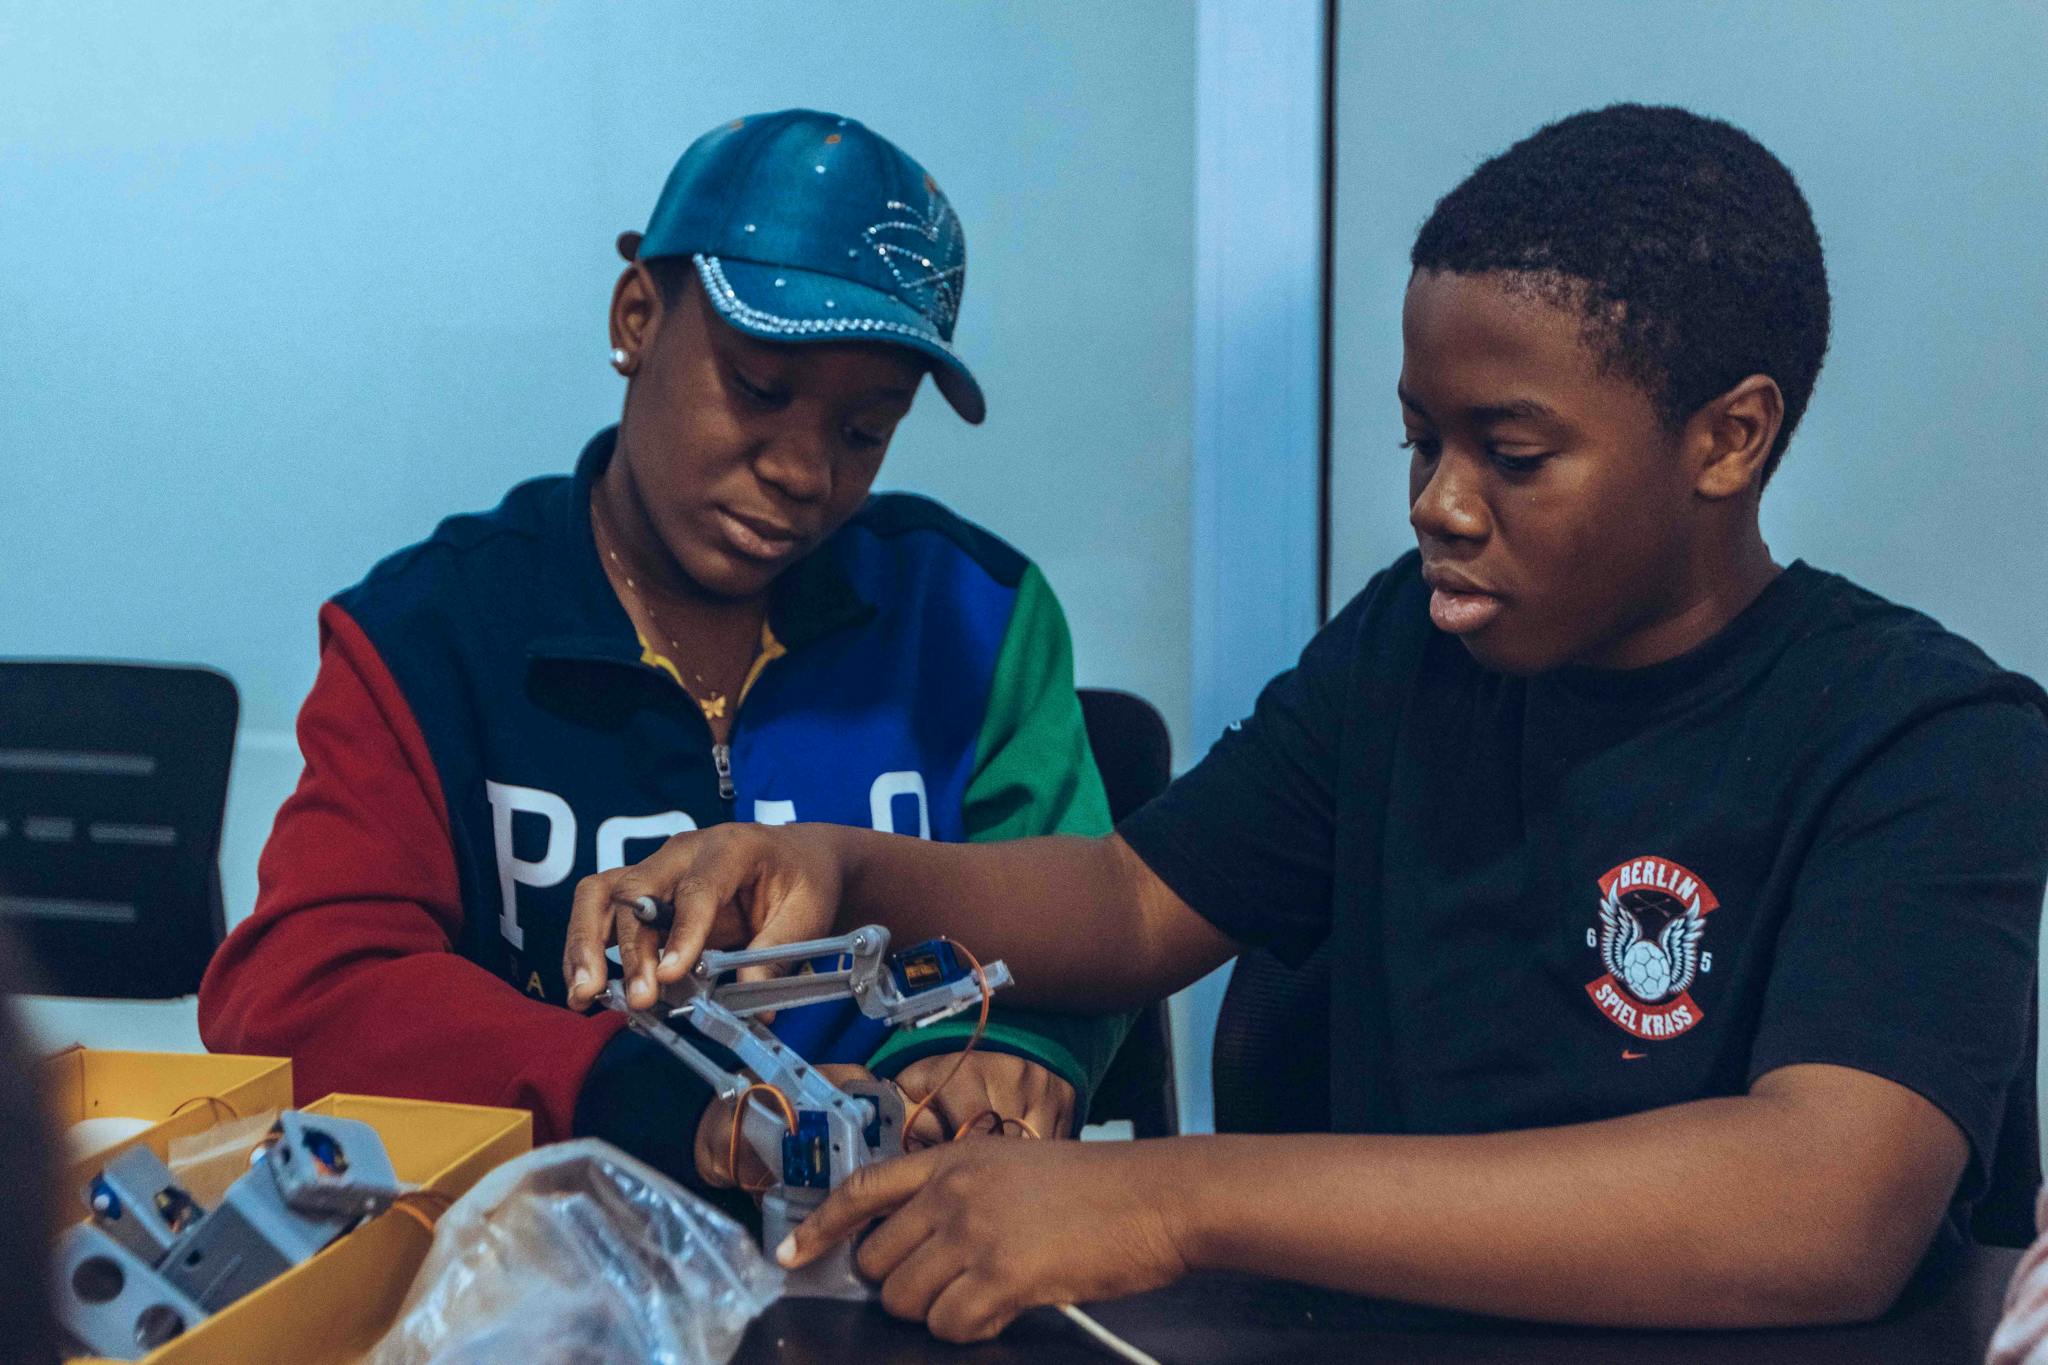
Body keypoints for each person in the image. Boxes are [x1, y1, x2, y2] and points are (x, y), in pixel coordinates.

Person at [566, 103, 2048, 1342]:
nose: (1436, 503)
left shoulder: (1924, 739)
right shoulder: (1415, 644)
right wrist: (847, 870)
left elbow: (1823, 1205)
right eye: (1420, 438)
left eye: (1511, 453)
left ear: (1729, 437)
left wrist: (1165, 1199)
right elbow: (1137, 901)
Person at [201, 109, 1126, 1195]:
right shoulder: (428, 636)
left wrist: (1015, 1051)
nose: (803, 472)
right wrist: (639, 1102)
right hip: (545, 1249)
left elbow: (1106, 915)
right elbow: (302, 994)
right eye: (759, 388)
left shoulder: (977, 617)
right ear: (637, 316)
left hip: (911, 1249)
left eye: (864, 430)